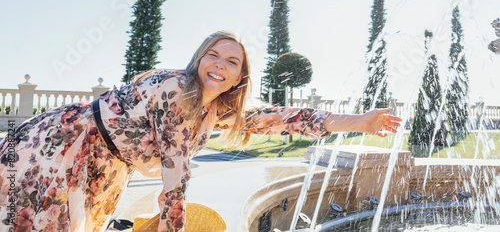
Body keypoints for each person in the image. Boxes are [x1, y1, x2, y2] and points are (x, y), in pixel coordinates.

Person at [0, 31, 402, 232]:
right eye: (213, 54)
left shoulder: (216, 111)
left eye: (231, 61)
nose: (220, 64)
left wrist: (358, 122)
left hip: (106, 164)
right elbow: (175, 172)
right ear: (198, 61)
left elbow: (286, 119)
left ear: (237, 79)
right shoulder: (177, 89)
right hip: (65, 146)